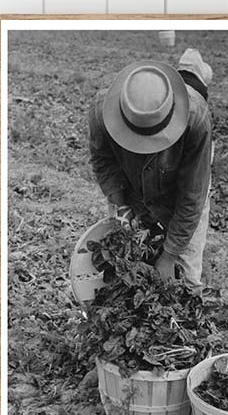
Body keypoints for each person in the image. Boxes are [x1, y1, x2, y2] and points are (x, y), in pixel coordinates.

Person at [88, 48, 213, 284]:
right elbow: (103, 161)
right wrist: (120, 204)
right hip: (133, 189)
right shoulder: (101, 113)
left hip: (179, 192)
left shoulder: (195, 120)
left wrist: (170, 255)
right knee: (125, 270)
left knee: (184, 281)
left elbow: (192, 195)